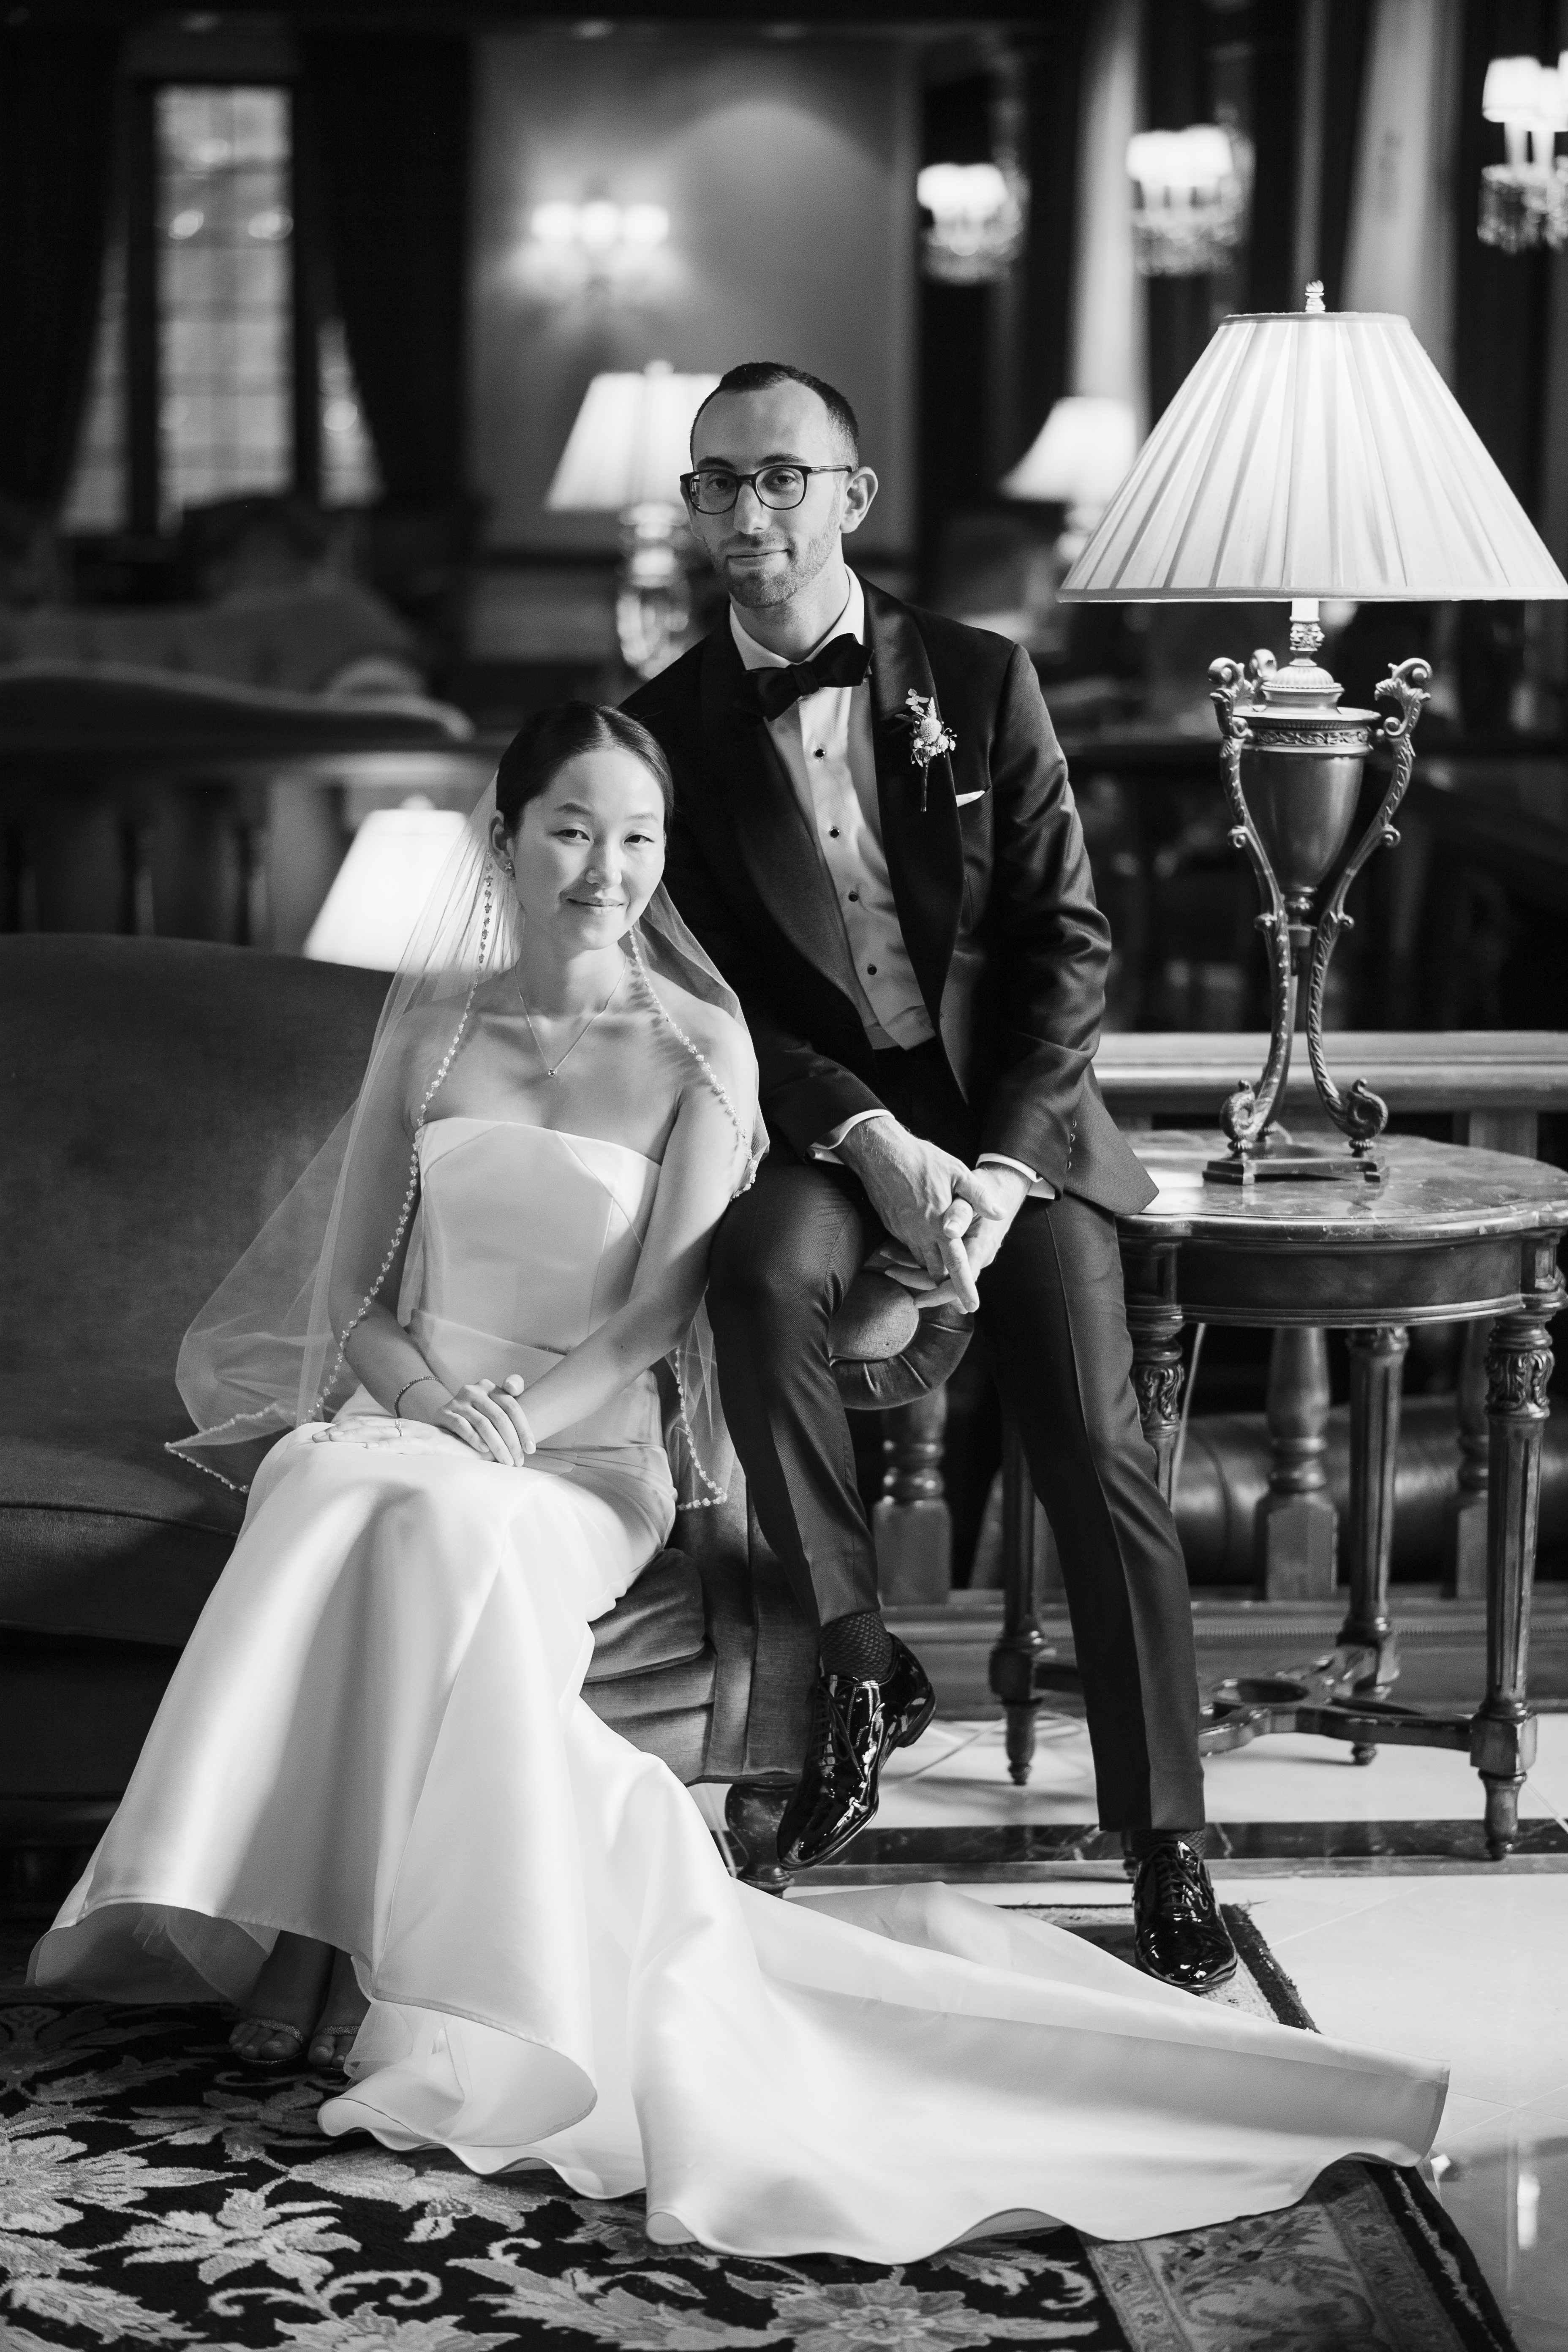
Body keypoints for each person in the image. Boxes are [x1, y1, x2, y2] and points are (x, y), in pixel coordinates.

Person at [30, 703, 1444, 2257]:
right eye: (572, 830)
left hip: (587, 1457)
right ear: (506, 840)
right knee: (335, 1485)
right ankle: (327, 1947)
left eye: (637, 837)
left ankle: (326, 1959)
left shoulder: (698, 1051)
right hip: (425, 1422)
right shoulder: (430, 1037)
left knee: (421, 1519)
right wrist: (436, 1401)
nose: (607, 869)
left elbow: (658, 1314)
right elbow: (358, 1302)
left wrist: (508, 1428)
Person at [625, 362, 1229, 1987]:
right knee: (755, 1285)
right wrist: (873, 1140)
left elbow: (1063, 945)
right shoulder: (669, 734)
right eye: (716, 486)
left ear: (851, 497)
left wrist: (1009, 1174)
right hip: (829, 1122)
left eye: (778, 480)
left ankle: (1167, 1844)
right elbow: (716, 993)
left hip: (1018, 1126)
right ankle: (860, 1659)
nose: (746, 516)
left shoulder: (980, 675)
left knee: (1098, 1451)